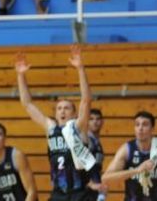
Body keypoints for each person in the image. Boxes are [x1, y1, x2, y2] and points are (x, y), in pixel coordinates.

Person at [16, 46, 98, 201]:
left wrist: (80, 69)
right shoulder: (51, 128)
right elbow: (27, 104)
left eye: (67, 108)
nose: (62, 111)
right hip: (58, 193)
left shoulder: (78, 127)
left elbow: (86, 101)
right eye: (59, 108)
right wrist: (21, 76)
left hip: (80, 193)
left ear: (74, 113)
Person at [101, 111, 157, 201]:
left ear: (152, 129)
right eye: (137, 124)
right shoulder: (127, 150)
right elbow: (106, 178)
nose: (140, 128)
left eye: (145, 124)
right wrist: (136, 171)